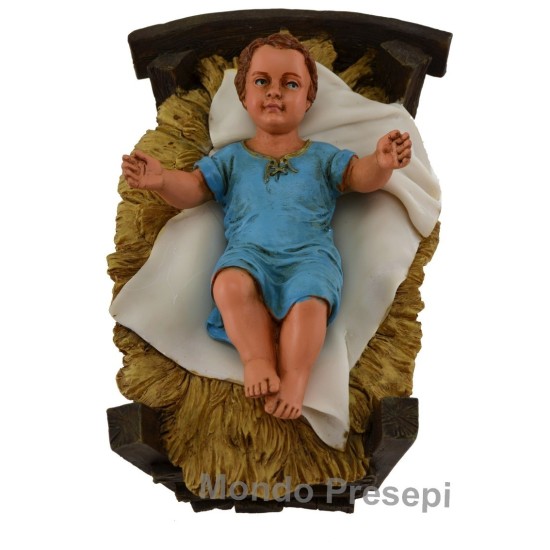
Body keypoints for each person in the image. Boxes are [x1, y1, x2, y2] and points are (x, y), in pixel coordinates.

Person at [121, 33, 412, 421]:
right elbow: (193, 189)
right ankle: (257, 359)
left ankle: (295, 379)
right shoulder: (231, 159)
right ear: (244, 95)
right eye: (262, 81)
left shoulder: (322, 157)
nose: (275, 92)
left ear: (308, 99)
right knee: (229, 285)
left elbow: (360, 177)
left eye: (290, 84)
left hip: (310, 257)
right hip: (248, 255)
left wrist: (381, 162)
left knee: (309, 304)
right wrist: (161, 180)